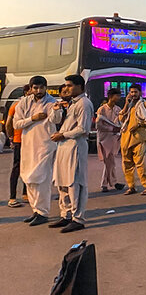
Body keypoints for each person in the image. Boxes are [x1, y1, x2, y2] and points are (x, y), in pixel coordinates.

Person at [49, 75, 94, 232]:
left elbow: (83, 129)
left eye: (69, 85)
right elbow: (56, 122)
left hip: (75, 146)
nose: (66, 88)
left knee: (75, 183)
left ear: (80, 87)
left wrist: (63, 135)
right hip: (63, 147)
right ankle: (65, 214)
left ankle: (78, 218)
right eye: (65, 85)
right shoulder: (70, 104)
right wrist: (57, 111)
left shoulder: (84, 104)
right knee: (62, 181)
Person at [13, 76, 57, 226]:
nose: (38, 91)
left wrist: (57, 111)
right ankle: (36, 210)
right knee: (29, 178)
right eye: (35, 88)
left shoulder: (52, 103)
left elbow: (55, 120)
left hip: (45, 145)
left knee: (42, 179)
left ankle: (43, 212)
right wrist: (33, 118)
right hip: (28, 146)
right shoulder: (24, 102)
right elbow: (16, 124)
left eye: (41, 88)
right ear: (30, 88)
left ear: (46, 87)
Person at [119, 84, 146, 195]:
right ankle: (131, 186)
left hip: (139, 138)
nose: (133, 94)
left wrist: (138, 126)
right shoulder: (129, 106)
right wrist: (126, 104)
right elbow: (121, 118)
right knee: (127, 164)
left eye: (135, 92)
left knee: (140, 163)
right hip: (126, 139)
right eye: (131, 92)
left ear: (140, 93)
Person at [5, 84, 30, 208]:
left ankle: (26, 194)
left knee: (28, 167)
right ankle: (12, 197)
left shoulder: (35, 105)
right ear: (26, 92)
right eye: (32, 89)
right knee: (17, 168)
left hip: (30, 141)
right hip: (18, 140)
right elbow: (9, 123)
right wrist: (11, 138)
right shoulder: (16, 105)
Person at [96, 88, 124, 192]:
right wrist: (111, 128)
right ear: (111, 97)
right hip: (104, 138)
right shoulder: (102, 109)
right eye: (117, 96)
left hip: (114, 138)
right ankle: (109, 183)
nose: (119, 98)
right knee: (109, 161)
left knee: (110, 161)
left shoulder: (118, 109)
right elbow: (99, 125)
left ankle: (110, 183)